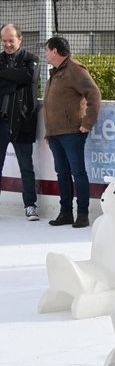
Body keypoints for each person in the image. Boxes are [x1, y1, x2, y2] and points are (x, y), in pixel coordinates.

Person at [42, 36, 101, 228]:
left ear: (55, 51)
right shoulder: (56, 72)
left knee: (78, 172)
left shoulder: (75, 69)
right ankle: (65, 213)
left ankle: (82, 214)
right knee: (62, 173)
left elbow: (94, 94)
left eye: (46, 50)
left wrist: (87, 123)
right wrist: (48, 131)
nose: (45, 54)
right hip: (56, 133)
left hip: (72, 132)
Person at [0, 24, 39, 221]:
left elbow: (29, 76)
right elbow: (19, 78)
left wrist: (6, 76)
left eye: (11, 40)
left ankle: (30, 206)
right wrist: (16, 78)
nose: (7, 44)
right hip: (1, 123)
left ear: (20, 39)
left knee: (26, 166)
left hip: (22, 122)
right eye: (4, 40)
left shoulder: (30, 59)